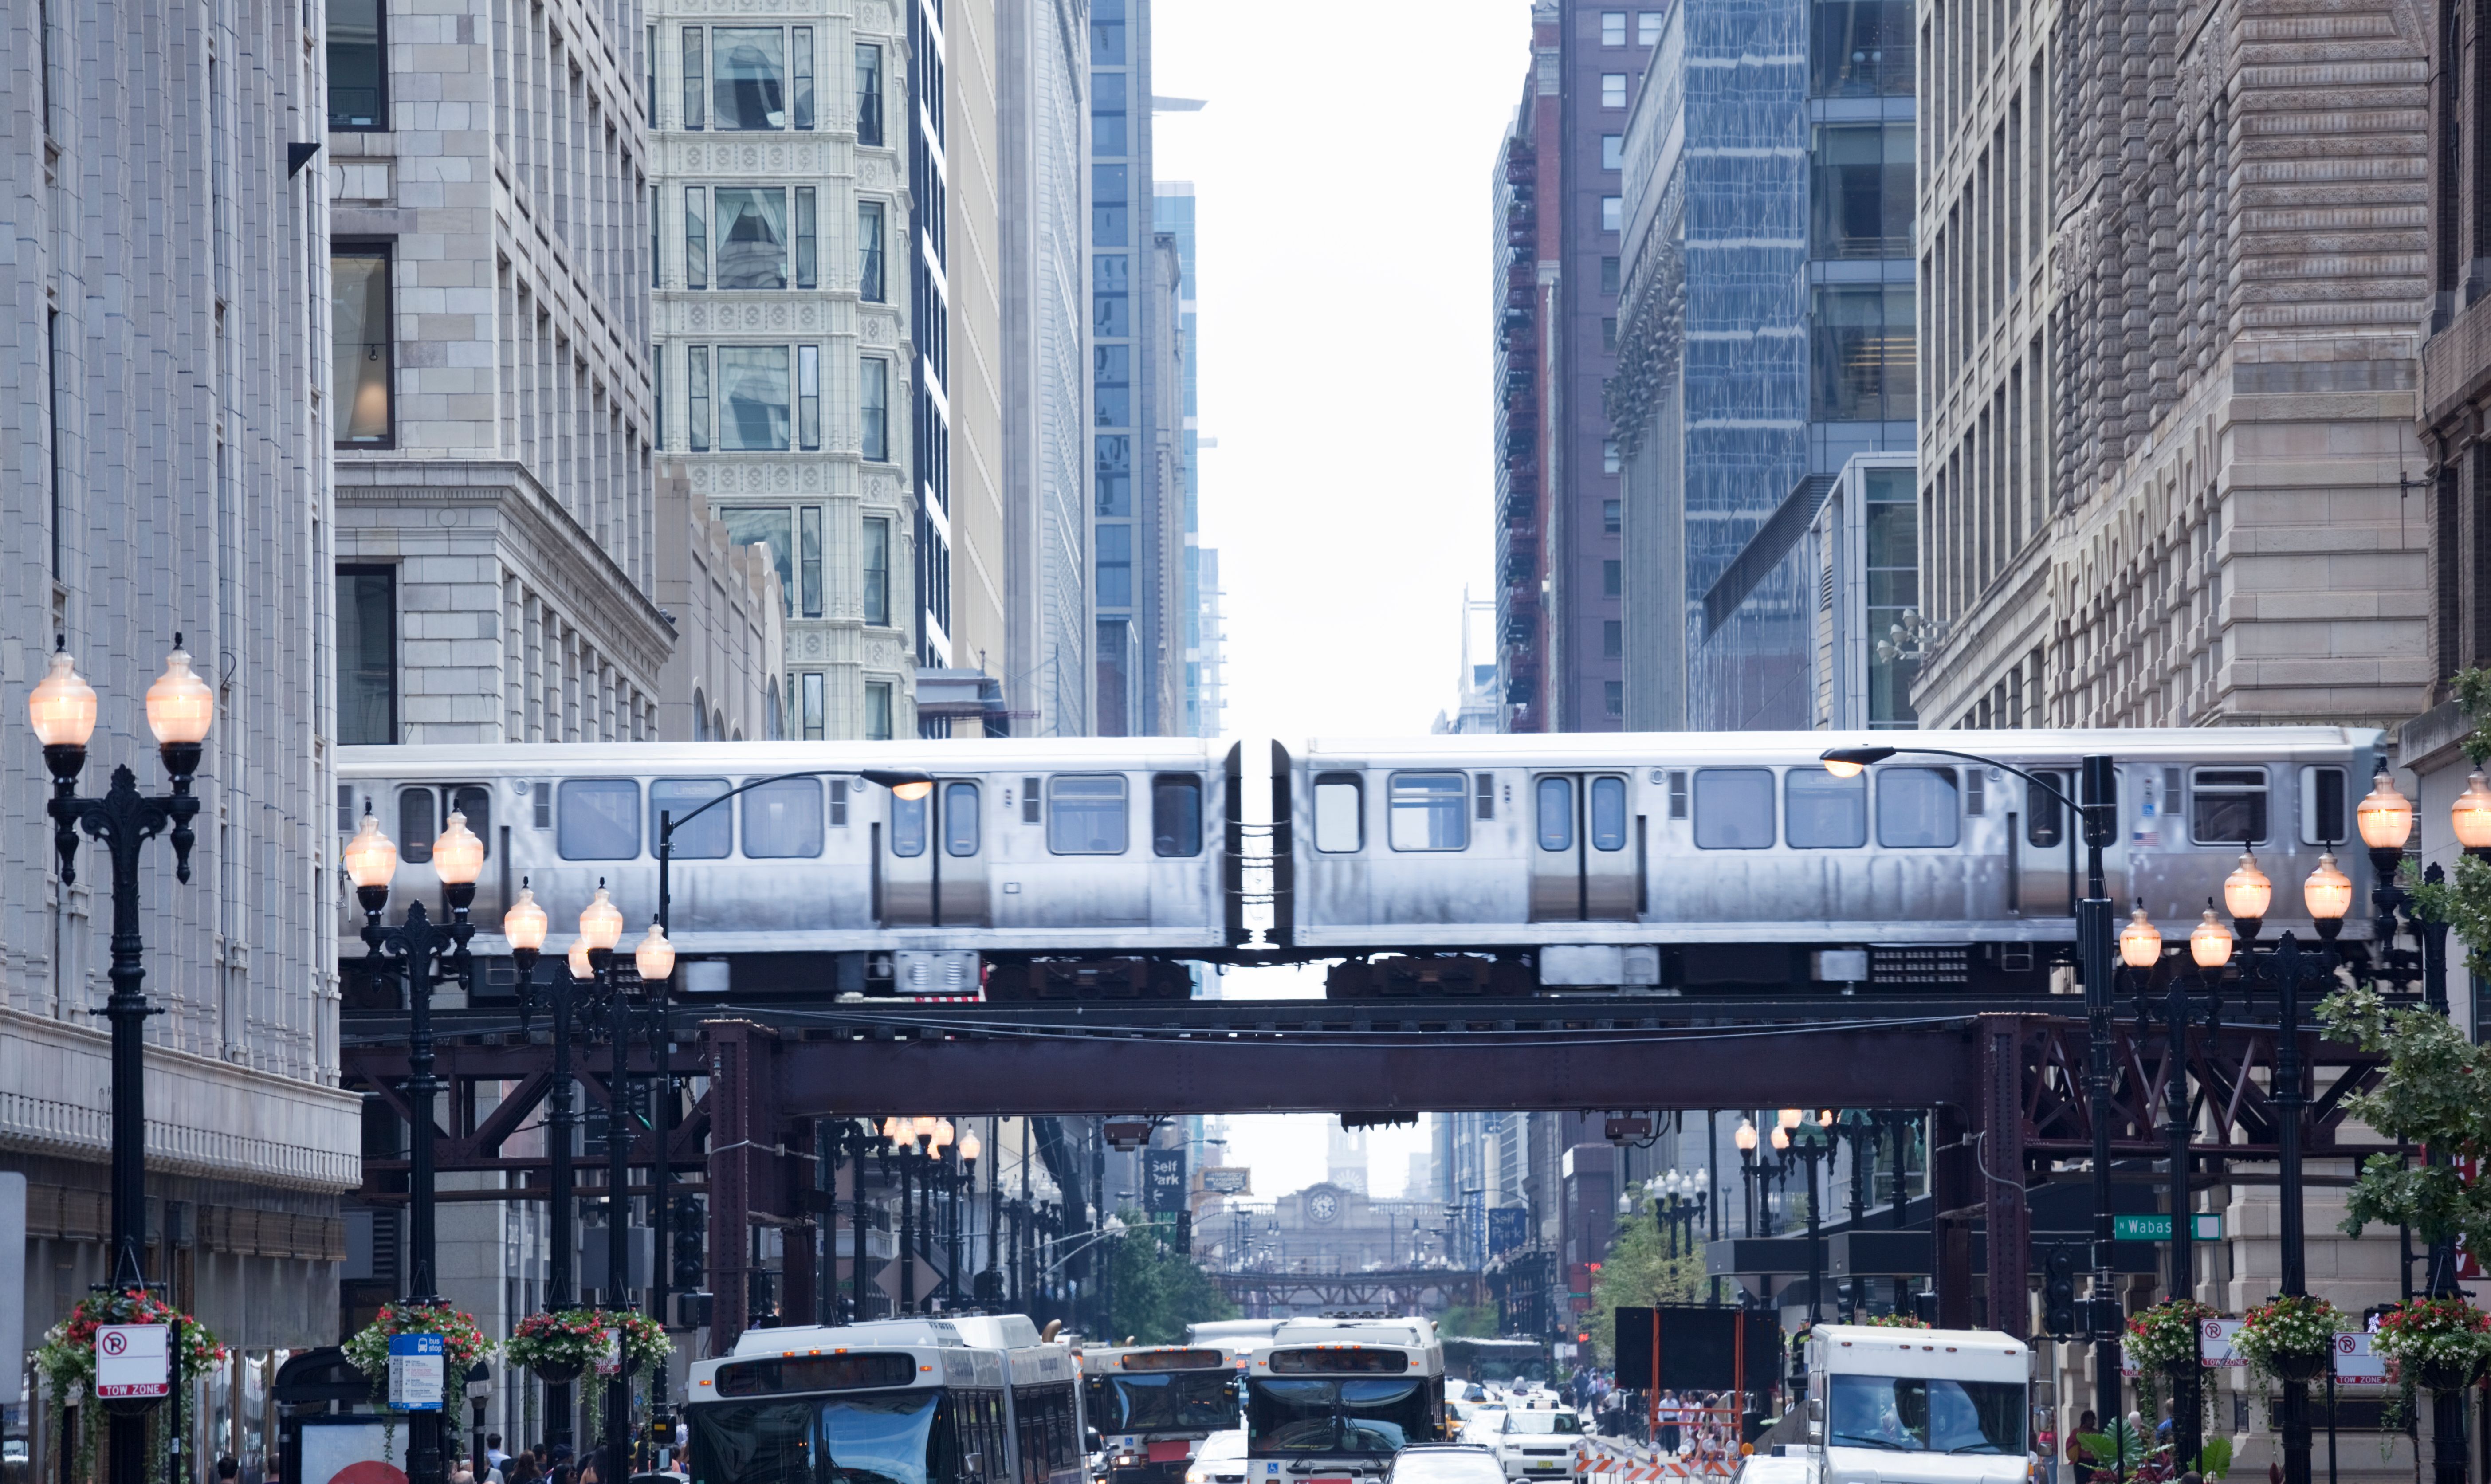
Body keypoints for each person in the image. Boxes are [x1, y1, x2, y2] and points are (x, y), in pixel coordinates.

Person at [2066, 1411, 2099, 1484]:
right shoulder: (2077, 1432)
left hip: (2094, 1464)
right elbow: (2069, 1445)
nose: (2091, 1421)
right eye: (2088, 1419)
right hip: (2081, 1463)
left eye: (2092, 1419)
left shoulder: (2097, 1433)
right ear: (2084, 1420)